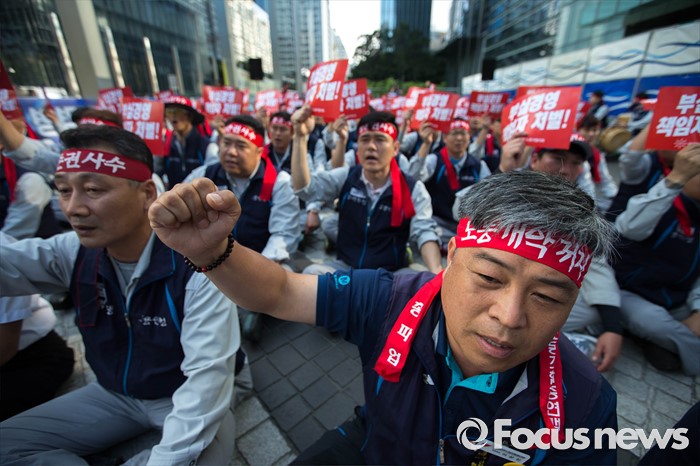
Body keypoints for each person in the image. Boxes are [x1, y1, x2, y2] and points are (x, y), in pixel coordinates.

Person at [149, 170, 618, 465]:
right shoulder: (388, 299)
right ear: (452, 256)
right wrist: (213, 252)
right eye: (490, 278)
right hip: (375, 443)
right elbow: (280, 291)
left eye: (547, 297)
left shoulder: (586, 403)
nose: (510, 316)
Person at [0, 125, 243, 465]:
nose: (74, 208)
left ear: (147, 193)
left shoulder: (198, 264)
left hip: (181, 396)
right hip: (114, 394)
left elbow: (206, 384)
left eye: (93, 190)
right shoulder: (71, 251)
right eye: (64, 190)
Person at [482, 134, 624, 372]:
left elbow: (596, 265)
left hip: (539, 293)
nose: (566, 170)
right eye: (557, 159)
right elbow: (461, 210)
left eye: (575, 163)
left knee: (594, 309)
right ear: (535, 160)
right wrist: (503, 172)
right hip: (494, 289)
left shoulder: (579, 210)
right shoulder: (510, 185)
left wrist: (613, 327)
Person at [185, 114, 301, 340]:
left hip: (259, 263)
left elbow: (283, 236)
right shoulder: (204, 176)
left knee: (286, 277)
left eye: (241, 146)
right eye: (226, 143)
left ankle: (250, 306)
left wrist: (249, 274)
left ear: (259, 151)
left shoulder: (279, 182)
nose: (230, 152)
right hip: (213, 262)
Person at [290, 106, 443, 274]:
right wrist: (300, 137)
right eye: (365, 139)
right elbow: (305, 189)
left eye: (380, 139)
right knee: (312, 273)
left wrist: (437, 272)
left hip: (389, 276)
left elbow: (424, 232)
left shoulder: (413, 188)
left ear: (395, 148)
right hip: (347, 272)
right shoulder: (346, 176)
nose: (371, 147)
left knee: (419, 280)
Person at [613, 143, 700, 375]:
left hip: (677, 300)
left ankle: (667, 343)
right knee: (653, 322)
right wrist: (674, 181)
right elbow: (628, 227)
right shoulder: (662, 196)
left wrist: (698, 312)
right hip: (629, 292)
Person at [408, 117, 491, 245]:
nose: (459, 138)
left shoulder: (479, 166)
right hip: (438, 223)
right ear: (445, 137)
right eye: (454, 133)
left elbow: (489, 196)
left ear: (469, 137)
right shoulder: (434, 160)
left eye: (463, 133)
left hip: (468, 227)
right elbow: (413, 178)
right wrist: (426, 144)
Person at [158, 95, 211, 187]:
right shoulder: (166, 144)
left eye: (178, 112)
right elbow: (158, 171)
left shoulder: (205, 145)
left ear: (189, 116)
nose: (173, 116)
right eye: (169, 112)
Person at [577, 115, 618, 212]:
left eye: (595, 130)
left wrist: (616, 197)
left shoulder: (597, 155)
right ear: (578, 130)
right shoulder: (570, 152)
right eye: (587, 130)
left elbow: (605, 179)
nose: (591, 134)